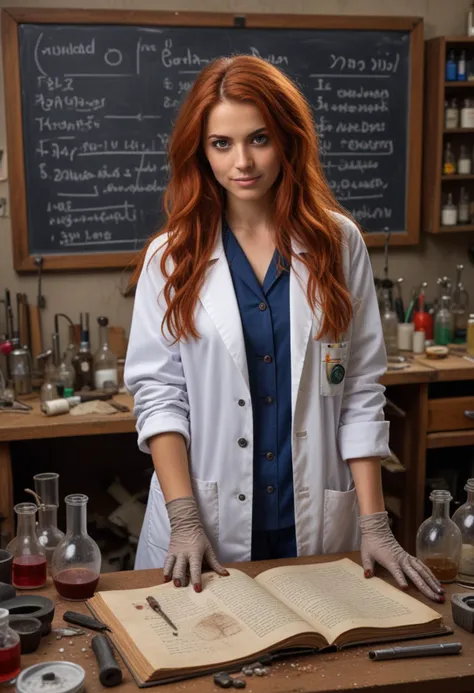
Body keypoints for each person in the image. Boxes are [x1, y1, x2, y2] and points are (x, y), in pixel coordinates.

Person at [124, 55, 444, 604]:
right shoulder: (171, 256)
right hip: (207, 521)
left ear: (289, 140)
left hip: (315, 519)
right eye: (221, 143)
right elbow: (159, 396)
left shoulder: (338, 244)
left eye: (259, 139)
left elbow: (360, 391)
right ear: (200, 150)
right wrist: (183, 519)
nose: (242, 162)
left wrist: (374, 523)